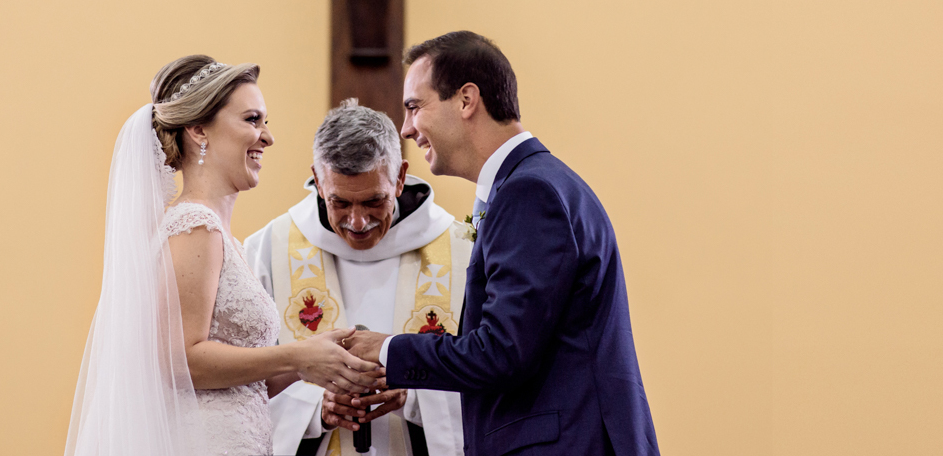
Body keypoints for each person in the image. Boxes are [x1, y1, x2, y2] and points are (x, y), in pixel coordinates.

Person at [343, 33, 661, 455]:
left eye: (415, 107)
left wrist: (386, 349)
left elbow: (503, 351)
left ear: (466, 100)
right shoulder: (535, 183)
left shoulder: (530, 193)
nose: (407, 128)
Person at [65, 56, 380, 456]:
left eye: (265, 122)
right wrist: (296, 354)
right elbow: (180, 362)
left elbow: (242, 384)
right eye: (252, 120)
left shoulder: (223, 237)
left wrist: (310, 362)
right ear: (199, 130)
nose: (267, 137)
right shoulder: (196, 228)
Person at [245, 100, 470, 456]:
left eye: (373, 201)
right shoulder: (267, 251)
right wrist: (315, 408)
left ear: (400, 178)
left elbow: (493, 370)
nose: (358, 222)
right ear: (319, 181)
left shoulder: (462, 250)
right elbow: (241, 388)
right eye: (341, 203)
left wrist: (414, 395)